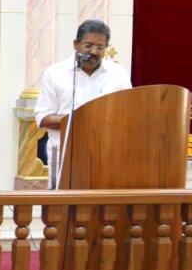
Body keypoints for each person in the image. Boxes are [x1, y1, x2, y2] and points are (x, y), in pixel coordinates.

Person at [34, 19, 132, 184]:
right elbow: (43, 118)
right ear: (76, 44)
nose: (94, 51)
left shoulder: (118, 73)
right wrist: (82, 120)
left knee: (103, 199)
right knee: (64, 200)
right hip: (64, 154)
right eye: (88, 46)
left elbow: (128, 113)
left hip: (107, 153)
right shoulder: (55, 73)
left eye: (100, 47)